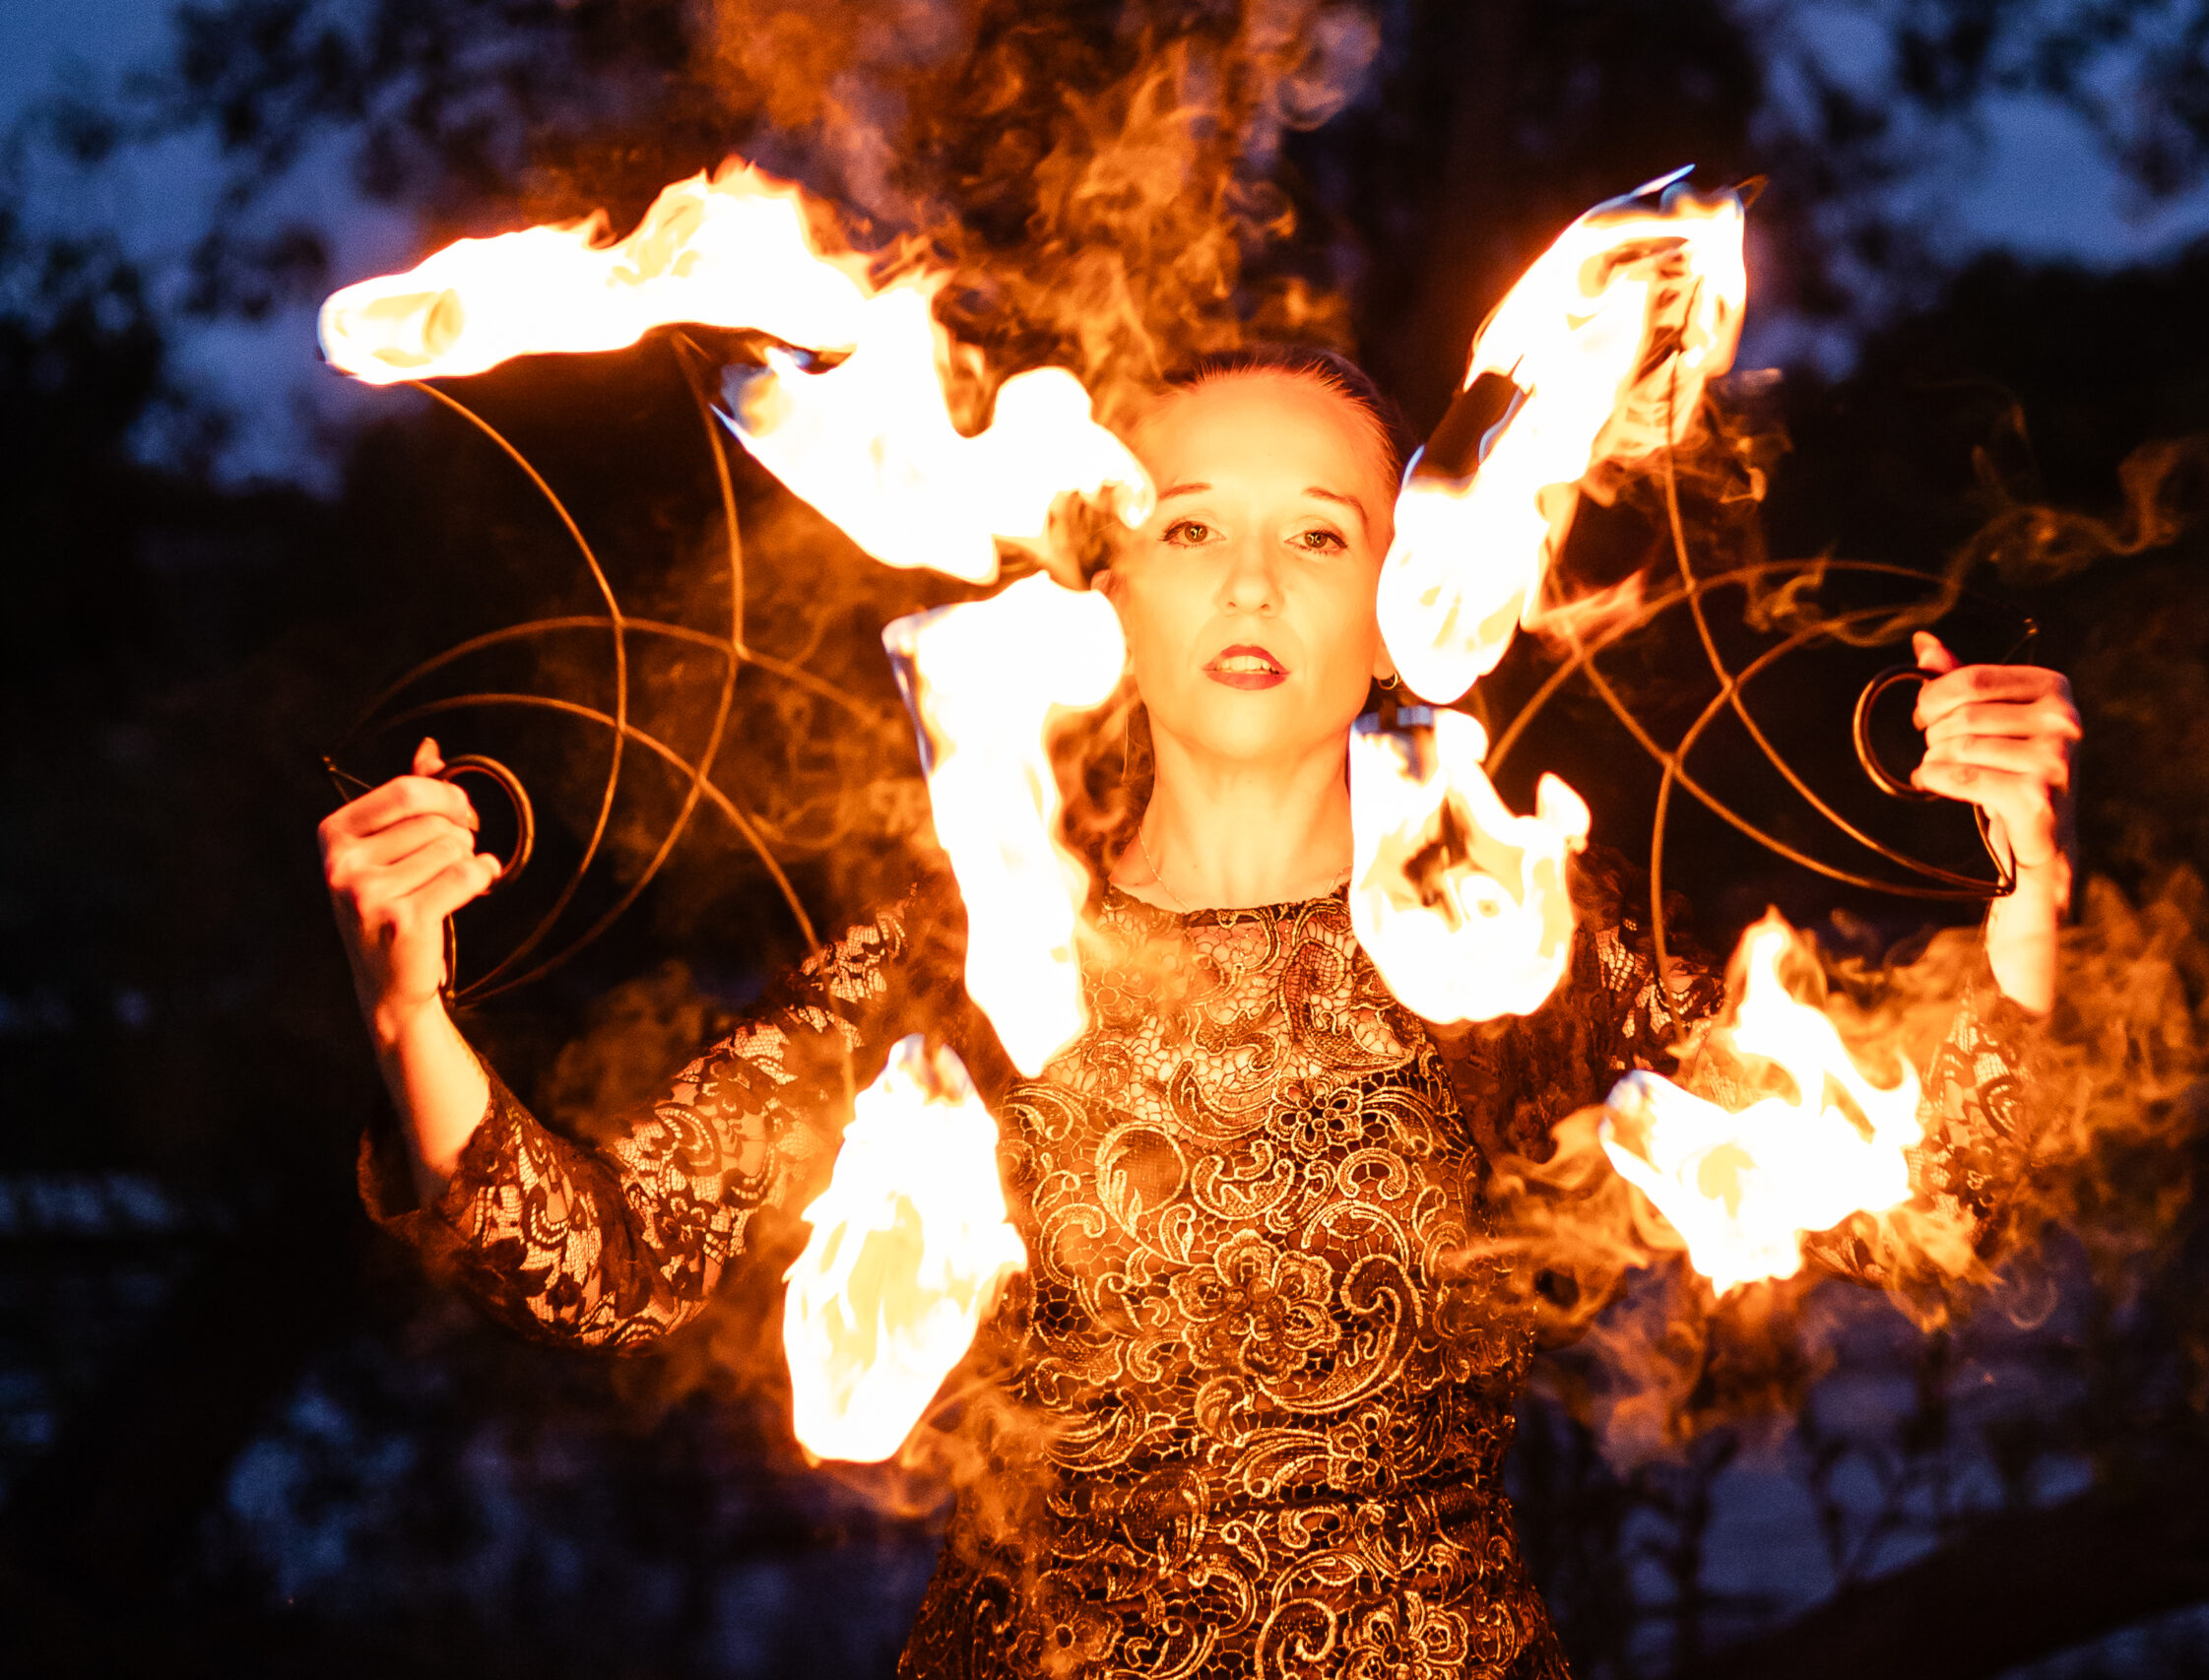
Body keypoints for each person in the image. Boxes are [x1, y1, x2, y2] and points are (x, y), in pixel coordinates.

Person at [320, 345, 2079, 1678]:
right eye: (1190, 528)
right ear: (1113, 590)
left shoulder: (1525, 949)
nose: (1251, 582)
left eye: (1319, 534)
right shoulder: (958, 962)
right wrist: (410, 1002)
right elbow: (608, 1265)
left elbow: (1939, 1207)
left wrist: (2025, 874)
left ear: (1405, 609)